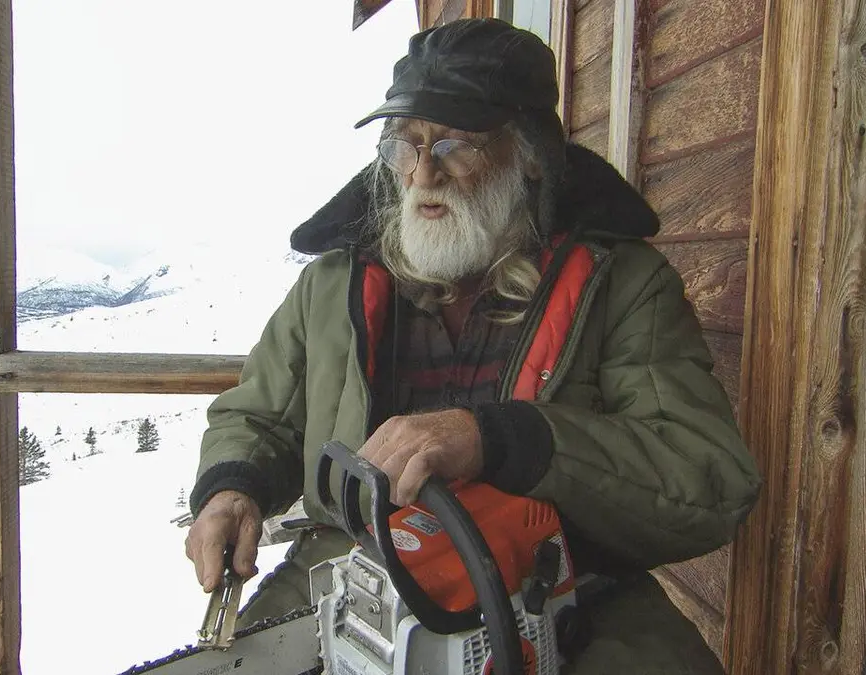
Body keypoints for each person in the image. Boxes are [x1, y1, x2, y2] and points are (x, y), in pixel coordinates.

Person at [184, 17, 761, 674]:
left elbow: (706, 480)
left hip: (562, 579)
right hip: (354, 561)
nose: (423, 172)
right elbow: (259, 416)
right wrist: (233, 488)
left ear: (530, 157)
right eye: (406, 144)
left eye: (456, 143)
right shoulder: (333, 286)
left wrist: (505, 438)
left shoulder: (621, 285)